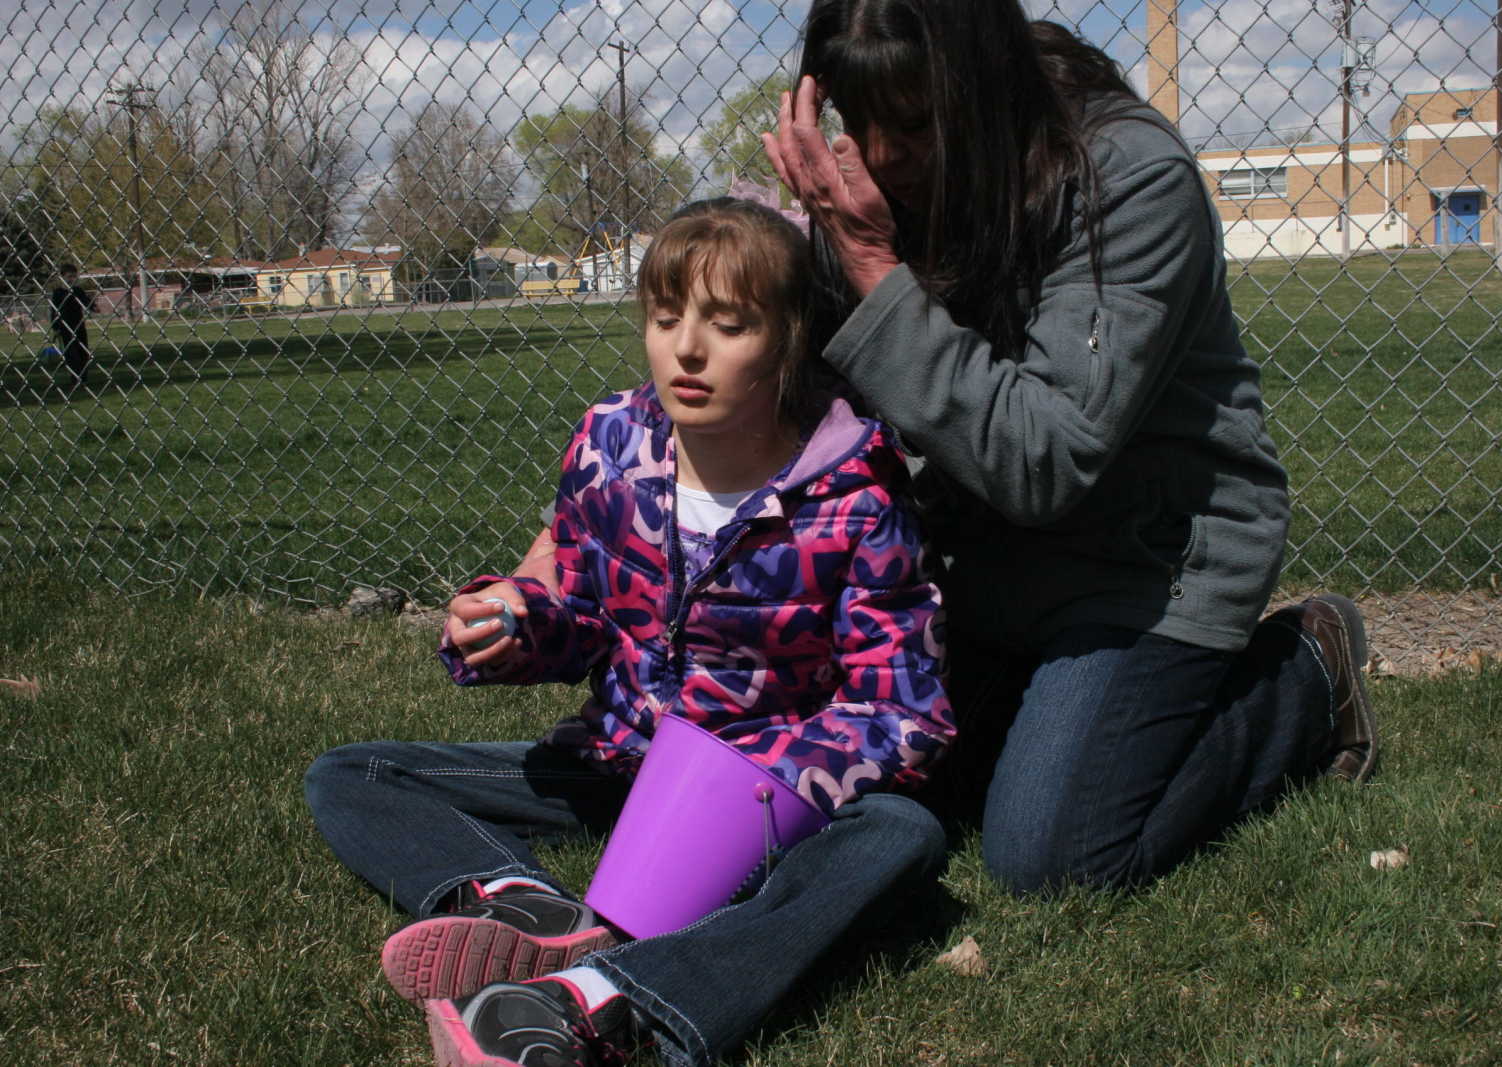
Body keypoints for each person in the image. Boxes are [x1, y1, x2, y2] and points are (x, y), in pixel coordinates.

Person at [303, 197, 954, 1066]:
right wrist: (514, 621)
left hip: (763, 804)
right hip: (619, 763)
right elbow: (581, 613)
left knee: (902, 834)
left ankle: (608, 1000)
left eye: (728, 324)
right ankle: (526, 907)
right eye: (665, 317)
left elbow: (903, 711)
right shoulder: (611, 443)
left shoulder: (856, 495)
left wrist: (772, 777)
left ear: (789, 339)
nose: (687, 349)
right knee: (353, 772)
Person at [756, 0, 1379, 894]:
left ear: (976, 90)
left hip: (1146, 557)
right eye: (861, 122)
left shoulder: (1129, 176)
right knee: (865, 780)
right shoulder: (888, 184)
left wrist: (869, 265)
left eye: (915, 125)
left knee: (1052, 853)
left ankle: (1308, 669)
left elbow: (1043, 459)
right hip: (987, 556)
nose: (883, 157)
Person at [48, 263, 92, 384]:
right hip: (65, 327)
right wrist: (56, 327)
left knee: (83, 352)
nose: (72, 279)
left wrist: (93, 305)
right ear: (62, 277)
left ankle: (83, 377)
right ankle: (75, 378)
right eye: (69, 276)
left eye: (74, 276)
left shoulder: (78, 291)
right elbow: (54, 311)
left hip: (79, 325)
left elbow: (86, 302)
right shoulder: (58, 293)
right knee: (72, 353)